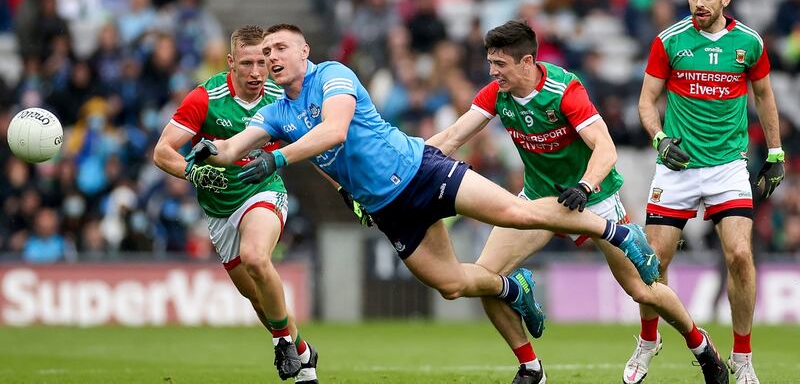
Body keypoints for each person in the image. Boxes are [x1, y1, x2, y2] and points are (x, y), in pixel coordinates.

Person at [184, 23, 661, 347]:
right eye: (265, 54)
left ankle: (617, 232)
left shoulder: (332, 74)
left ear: (304, 51)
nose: (271, 58)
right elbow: (230, 148)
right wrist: (207, 153)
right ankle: (514, 290)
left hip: (420, 170)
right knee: (451, 285)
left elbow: (333, 131)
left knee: (517, 212)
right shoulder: (274, 112)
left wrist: (276, 159)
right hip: (388, 206)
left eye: (280, 48)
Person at [426, 20, 728, 384]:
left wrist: (585, 186)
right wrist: (408, 166)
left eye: (500, 64)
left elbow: (606, 148)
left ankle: (700, 346)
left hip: (593, 201)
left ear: (526, 62)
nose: (493, 72)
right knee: (486, 278)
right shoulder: (495, 95)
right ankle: (531, 367)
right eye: (491, 63)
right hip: (536, 203)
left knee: (642, 290)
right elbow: (453, 136)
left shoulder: (564, 89)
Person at [634, 0, 785, 384]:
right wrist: (660, 139)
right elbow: (646, 102)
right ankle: (648, 341)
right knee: (651, 263)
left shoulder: (748, 43)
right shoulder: (669, 41)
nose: (698, 4)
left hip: (728, 166)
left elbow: (764, 95)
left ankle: (742, 358)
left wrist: (775, 152)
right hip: (676, 166)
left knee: (739, 255)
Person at [153, 25, 318, 383]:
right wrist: (193, 174)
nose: (257, 72)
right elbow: (163, 152)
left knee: (257, 257)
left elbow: (317, 143)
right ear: (231, 62)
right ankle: (302, 350)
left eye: (263, 62)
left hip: (263, 189)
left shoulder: (281, 95)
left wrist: (344, 188)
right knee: (258, 299)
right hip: (219, 208)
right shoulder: (204, 98)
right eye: (247, 63)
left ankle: (283, 344)